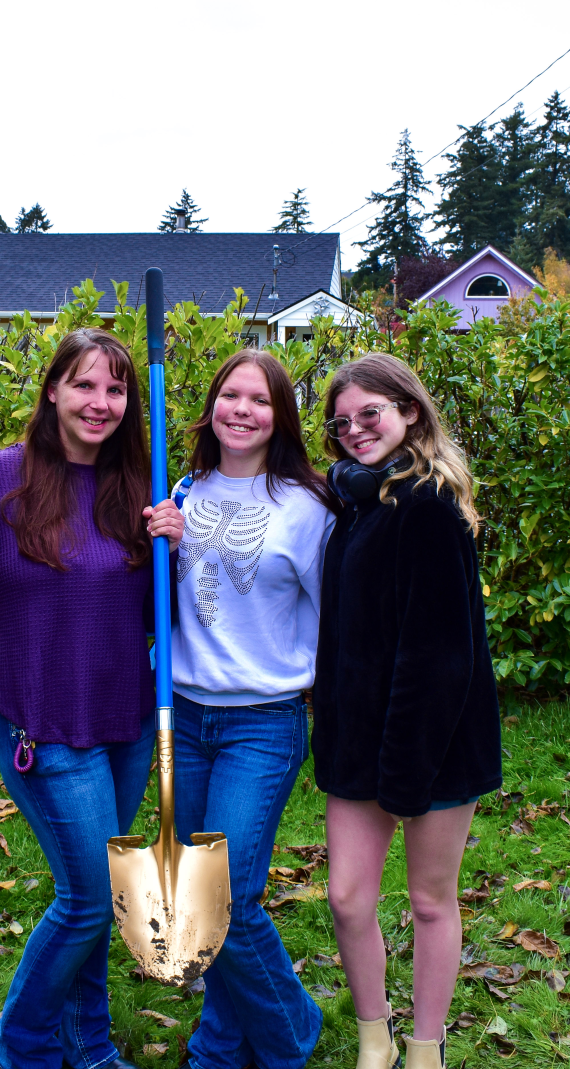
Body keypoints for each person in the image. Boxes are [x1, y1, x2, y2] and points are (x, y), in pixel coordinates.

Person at [0, 327, 184, 1069]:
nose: (101, 403)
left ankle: (90, 1048)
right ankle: (23, 1047)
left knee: (96, 899)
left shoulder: (140, 493)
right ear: (51, 389)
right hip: (42, 724)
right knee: (87, 899)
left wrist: (174, 549)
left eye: (115, 389)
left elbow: (158, 616)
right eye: (83, 384)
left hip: (126, 721)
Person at [312, 352, 503, 1069]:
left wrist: (405, 775)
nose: (357, 429)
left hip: (433, 745)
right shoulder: (359, 502)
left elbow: (439, 657)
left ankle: (425, 1046)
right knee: (349, 898)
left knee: (429, 901)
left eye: (372, 414)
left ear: (410, 412)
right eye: (343, 421)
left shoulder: (425, 505)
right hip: (358, 740)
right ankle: (374, 1037)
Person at [169, 350, 338, 1069]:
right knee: (202, 895)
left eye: (260, 400)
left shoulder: (307, 508)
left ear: (281, 417)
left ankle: (291, 1033)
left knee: (228, 898)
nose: (243, 410)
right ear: (211, 408)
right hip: (187, 716)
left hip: (262, 721)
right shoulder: (180, 490)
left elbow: (335, 622)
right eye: (231, 396)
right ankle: (219, 1044)